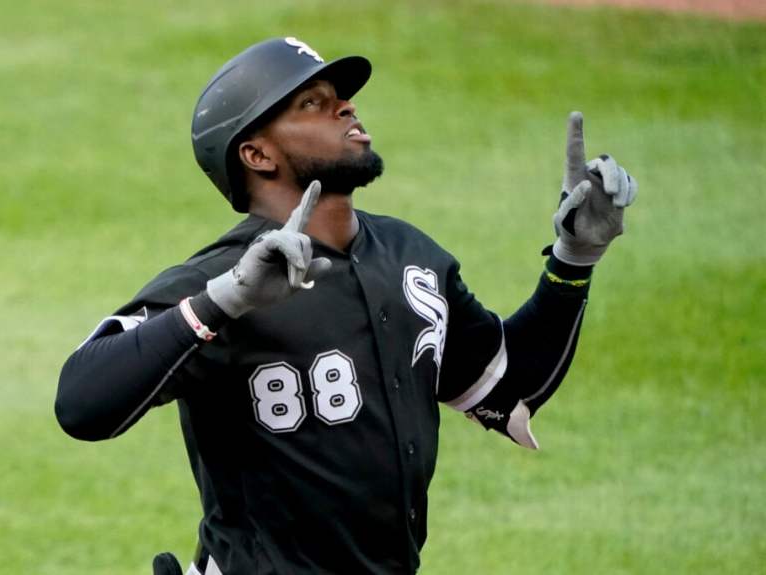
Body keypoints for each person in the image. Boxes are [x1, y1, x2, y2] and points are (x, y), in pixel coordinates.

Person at [55, 37, 637, 575]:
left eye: (342, 98)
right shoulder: (220, 281)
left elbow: (509, 386)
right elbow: (81, 403)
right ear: (258, 154)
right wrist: (223, 302)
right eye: (312, 102)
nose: (346, 109)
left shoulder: (411, 257)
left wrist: (574, 258)